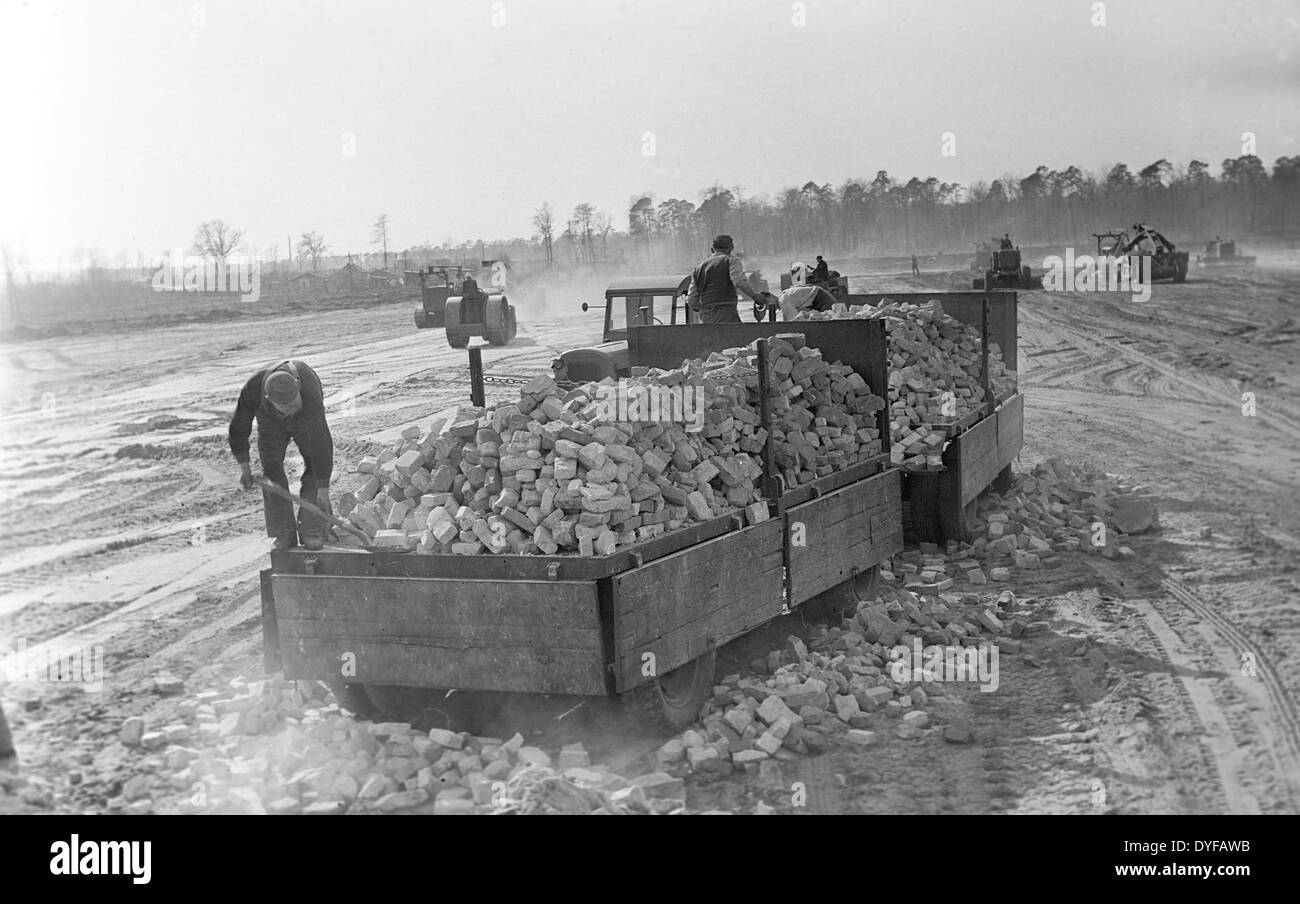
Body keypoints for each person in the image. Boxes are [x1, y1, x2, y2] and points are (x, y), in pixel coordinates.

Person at [230, 359, 334, 550]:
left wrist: (323, 490)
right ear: (270, 399)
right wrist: (244, 466)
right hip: (271, 421)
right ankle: (283, 533)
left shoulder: (309, 395)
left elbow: (322, 444)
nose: (291, 410)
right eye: (286, 408)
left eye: (294, 404)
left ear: (297, 387)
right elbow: (239, 426)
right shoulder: (253, 388)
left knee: (313, 463)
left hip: (306, 418)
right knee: (271, 468)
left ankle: (311, 529)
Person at [685, 234, 768, 323]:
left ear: (712, 249)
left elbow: (692, 300)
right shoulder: (731, 261)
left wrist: (703, 308)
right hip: (726, 313)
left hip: (705, 317)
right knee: (735, 336)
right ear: (730, 248)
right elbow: (739, 282)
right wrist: (756, 296)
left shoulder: (698, 268)